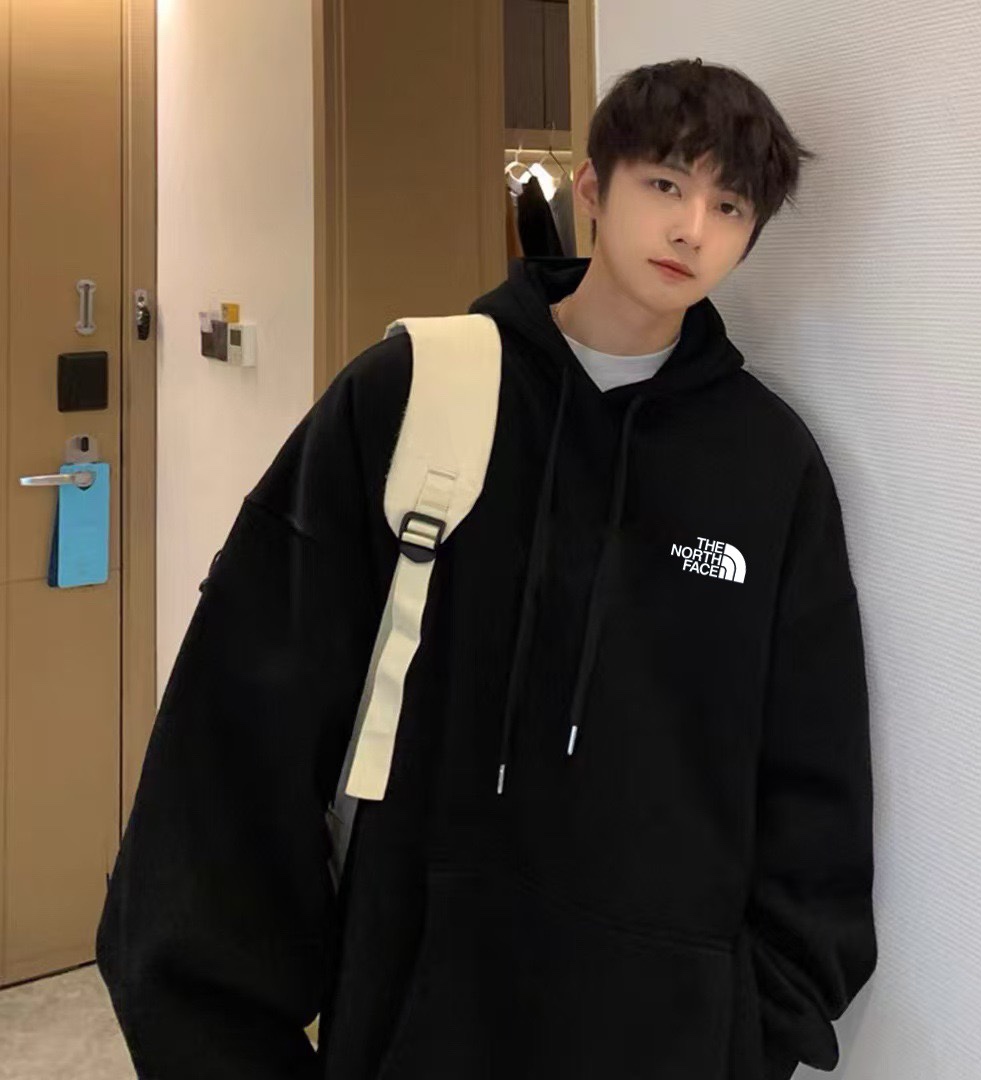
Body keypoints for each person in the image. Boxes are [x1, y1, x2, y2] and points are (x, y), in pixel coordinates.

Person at [96, 57, 876, 1080]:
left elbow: (816, 773)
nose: (693, 229)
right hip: (418, 1024)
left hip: (668, 1042)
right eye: (665, 184)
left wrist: (751, 1029)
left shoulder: (769, 467)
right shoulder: (411, 394)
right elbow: (238, 727)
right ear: (591, 188)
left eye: (730, 206)